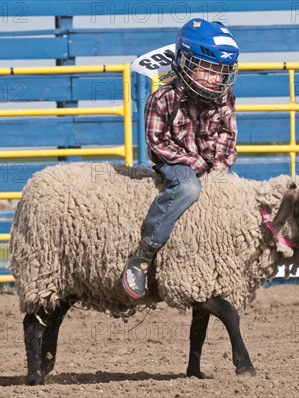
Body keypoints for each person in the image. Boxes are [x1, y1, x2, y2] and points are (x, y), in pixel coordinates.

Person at [121, 18, 241, 299]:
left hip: (212, 164)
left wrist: (219, 170)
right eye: (208, 70)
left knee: (230, 198)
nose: (215, 78)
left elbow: (227, 136)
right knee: (188, 188)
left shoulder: (224, 97)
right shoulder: (163, 98)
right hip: (176, 164)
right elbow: (157, 143)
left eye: (221, 72)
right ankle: (143, 254)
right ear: (186, 62)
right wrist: (197, 165)